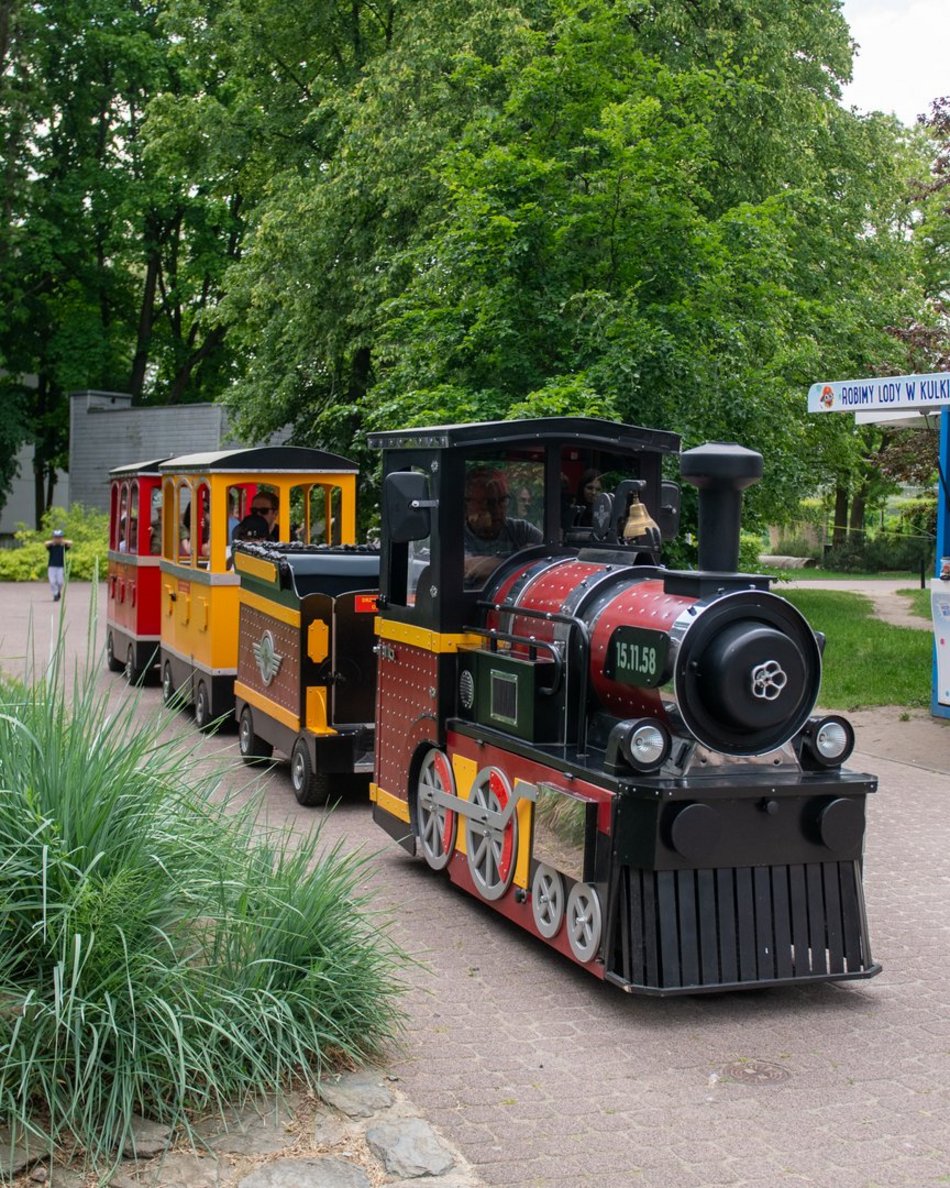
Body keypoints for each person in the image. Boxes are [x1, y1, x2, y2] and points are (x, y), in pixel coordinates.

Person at [463, 468, 542, 586]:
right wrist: (524, 559)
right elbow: (472, 567)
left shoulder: (520, 530)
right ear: (467, 505)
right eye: (489, 503)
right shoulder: (456, 535)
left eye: (502, 500)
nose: (497, 510)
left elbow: (550, 555)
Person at [44, 528, 72, 602]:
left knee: (60, 582)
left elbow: (70, 543)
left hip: (61, 566)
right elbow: (45, 543)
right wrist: (53, 541)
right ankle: (55, 594)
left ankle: (58, 591)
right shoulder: (51, 546)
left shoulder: (63, 546)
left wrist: (62, 541)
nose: (57, 539)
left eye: (59, 537)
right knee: (52, 582)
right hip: (51, 566)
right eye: (56, 537)